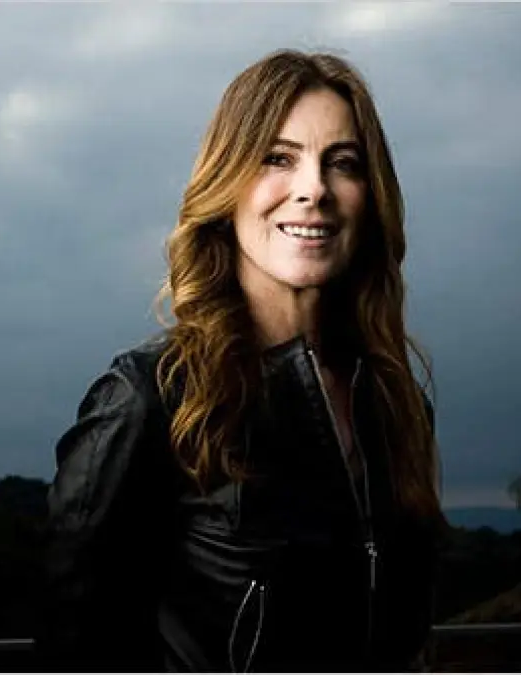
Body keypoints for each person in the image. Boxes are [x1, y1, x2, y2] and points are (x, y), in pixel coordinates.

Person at [38, 49, 446, 672]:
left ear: (371, 197)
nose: (314, 189)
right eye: (278, 158)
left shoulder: (397, 404)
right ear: (226, 187)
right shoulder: (148, 398)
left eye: (343, 163)